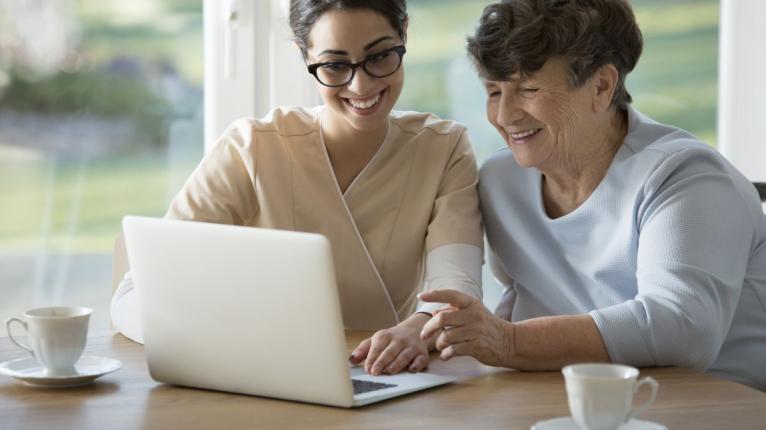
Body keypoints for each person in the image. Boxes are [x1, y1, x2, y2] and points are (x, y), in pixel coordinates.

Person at [111, 0, 484, 377]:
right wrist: (228, 336)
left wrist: (417, 326)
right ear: (303, 55)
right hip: (260, 374)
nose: (362, 85)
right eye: (336, 65)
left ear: (404, 32)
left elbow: (457, 288)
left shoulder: (443, 148)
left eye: (381, 56)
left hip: (383, 378)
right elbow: (133, 296)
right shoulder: (252, 148)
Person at [419, 0, 766, 391]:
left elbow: (682, 329)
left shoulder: (685, 178)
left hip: (721, 404)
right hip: (586, 400)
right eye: (494, 92)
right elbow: (523, 299)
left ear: (602, 86)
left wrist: (507, 341)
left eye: (529, 89)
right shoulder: (503, 182)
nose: (505, 116)